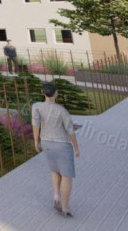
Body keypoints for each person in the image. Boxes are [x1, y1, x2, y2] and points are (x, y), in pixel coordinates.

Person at [31, 82, 80, 217]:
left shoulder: (36, 106)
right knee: (67, 176)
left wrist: (36, 141)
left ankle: (56, 195)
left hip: (46, 143)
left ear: (43, 93)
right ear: (56, 94)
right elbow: (70, 131)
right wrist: (76, 148)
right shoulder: (62, 111)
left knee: (55, 170)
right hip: (62, 145)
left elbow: (35, 124)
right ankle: (65, 206)